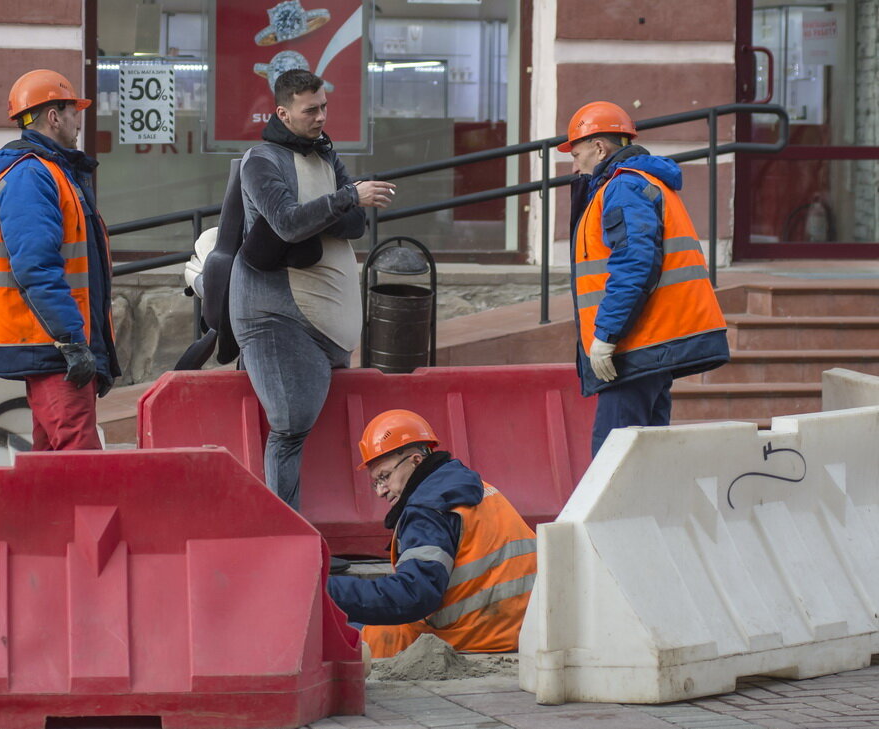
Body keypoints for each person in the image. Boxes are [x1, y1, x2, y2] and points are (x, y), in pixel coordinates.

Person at [231, 69, 395, 510]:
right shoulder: (262, 160)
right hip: (277, 317)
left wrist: (334, 208)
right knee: (290, 423)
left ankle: (309, 529)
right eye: (311, 110)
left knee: (316, 428)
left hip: (327, 323)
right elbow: (287, 222)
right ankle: (284, 530)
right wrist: (343, 201)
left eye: (324, 106)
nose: (321, 116)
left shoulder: (324, 157)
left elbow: (356, 224)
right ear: (283, 112)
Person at [560, 101, 730, 456]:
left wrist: (606, 335)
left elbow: (635, 264)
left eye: (576, 154)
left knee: (613, 465)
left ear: (599, 147)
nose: (574, 166)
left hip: (634, 350)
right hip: (650, 347)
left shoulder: (623, 188)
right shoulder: (639, 183)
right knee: (648, 460)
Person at [0, 69, 119, 451]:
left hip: (52, 343)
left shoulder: (52, 173)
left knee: (51, 463)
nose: (77, 122)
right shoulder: (32, 176)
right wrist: (71, 339)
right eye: (74, 112)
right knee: (79, 462)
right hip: (53, 346)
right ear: (53, 116)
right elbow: (36, 267)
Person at [327, 409, 537, 659]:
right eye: (375, 482)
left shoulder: (427, 510)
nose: (381, 491)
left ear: (415, 460)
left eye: (385, 477)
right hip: (523, 629)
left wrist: (323, 591)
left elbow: (412, 596)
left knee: (334, 631)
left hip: (474, 637)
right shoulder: (474, 488)